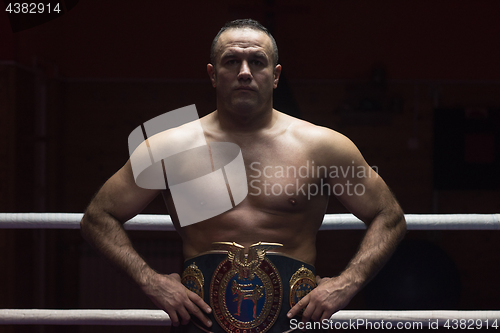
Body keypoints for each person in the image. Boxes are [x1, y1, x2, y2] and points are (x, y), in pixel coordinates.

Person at [80, 19, 406, 332]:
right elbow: (99, 216)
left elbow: (388, 216)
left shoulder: (323, 146)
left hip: (294, 324)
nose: (245, 73)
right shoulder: (169, 147)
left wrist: (346, 285)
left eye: (257, 62)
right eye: (232, 61)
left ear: (275, 75)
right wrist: (151, 282)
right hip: (201, 325)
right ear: (213, 74)